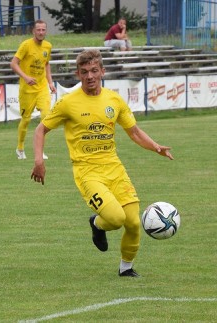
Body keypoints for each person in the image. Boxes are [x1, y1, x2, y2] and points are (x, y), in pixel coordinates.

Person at [30, 49, 173, 277]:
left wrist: (155, 146)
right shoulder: (68, 103)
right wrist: (39, 160)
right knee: (116, 218)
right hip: (88, 173)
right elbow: (40, 129)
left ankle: (126, 268)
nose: (90, 76)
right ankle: (97, 224)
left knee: (134, 223)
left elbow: (134, 132)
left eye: (94, 71)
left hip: (115, 169)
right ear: (78, 74)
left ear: (102, 71)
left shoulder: (114, 100)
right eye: (84, 72)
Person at [10, 19, 56, 160]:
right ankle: (20, 148)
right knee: (26, 120)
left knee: (46, 116)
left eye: (43, 30)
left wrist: (50, 82)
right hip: (27, 90)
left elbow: (46, 64)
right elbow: (13, 63)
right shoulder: (26, 45)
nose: (41, 32)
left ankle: (39, 150)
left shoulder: (48, 46)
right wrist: (25, 77)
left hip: (41, 87)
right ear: (33, 31)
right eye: (38, 30)